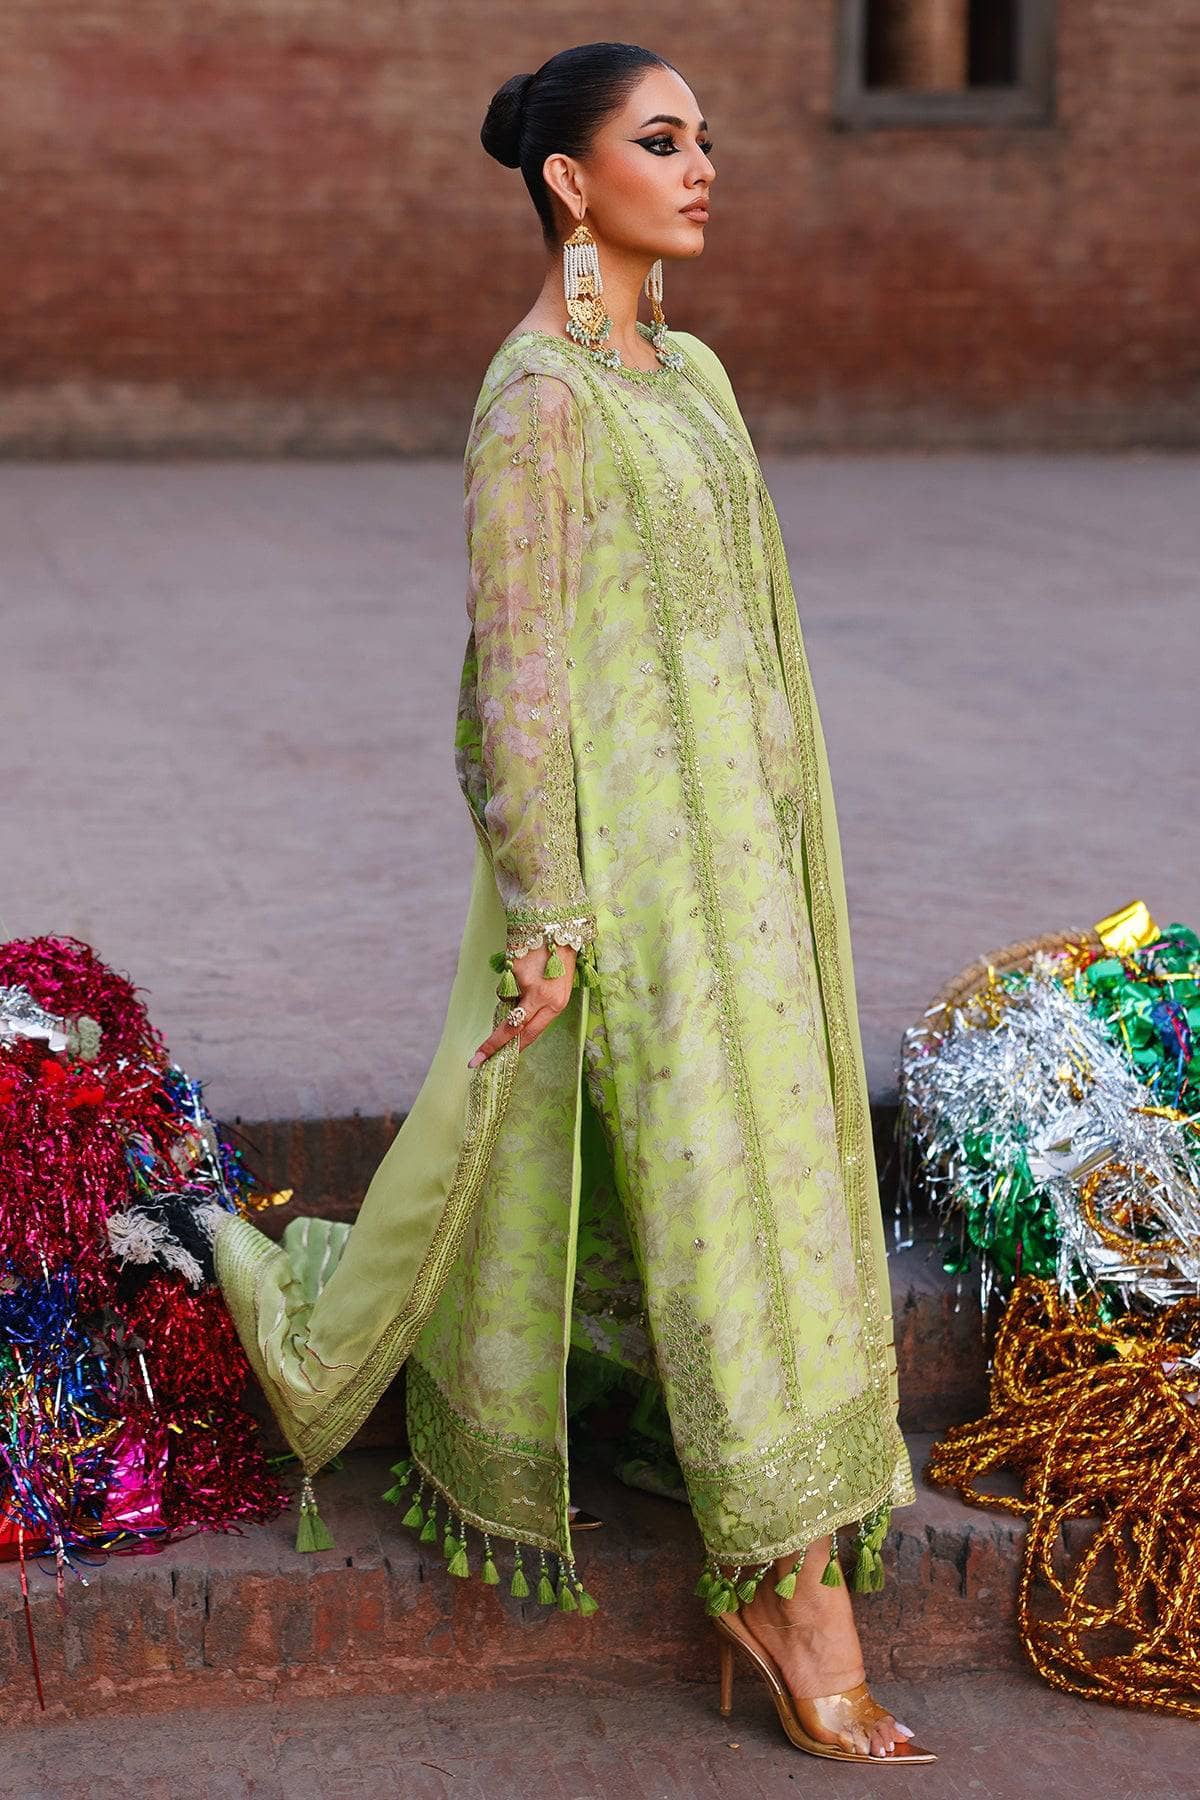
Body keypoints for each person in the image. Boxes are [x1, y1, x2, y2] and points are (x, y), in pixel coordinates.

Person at [215, 40, 934, 1767]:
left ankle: (789, 1551)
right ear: (567, 179)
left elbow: (751, 634)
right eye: (661, 141)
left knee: (775, 1185)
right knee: (721, 1207)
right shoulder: (533, 397)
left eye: (707, 141)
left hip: (755, 868)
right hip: (633, 884)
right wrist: (550, 914)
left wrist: (784, 845)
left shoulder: (693, 374)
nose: (702, 171)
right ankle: (788, 1590)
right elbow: (517, 674)